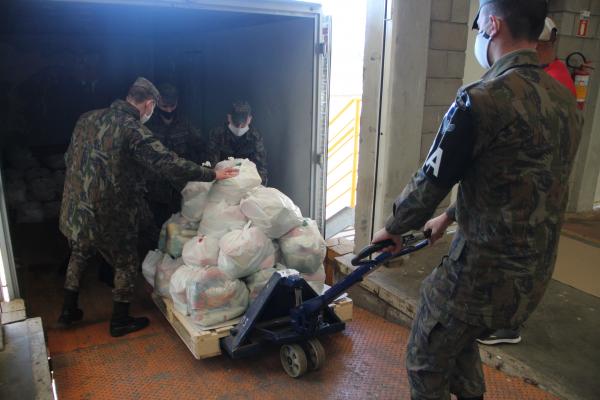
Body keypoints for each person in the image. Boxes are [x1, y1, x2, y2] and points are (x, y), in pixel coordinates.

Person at [371, 1, 583, 399]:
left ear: (492, 24)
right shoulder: (564, 100)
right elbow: (524, 179)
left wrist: (392, 229)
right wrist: (450, 216)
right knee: (457, 334)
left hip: (481, 273)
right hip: (533, 276)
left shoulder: (479, 100)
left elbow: (430, 179)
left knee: (426, 355)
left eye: (478, 28)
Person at [58, 77, 238, 337]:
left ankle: (67, 311)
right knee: (126, 261)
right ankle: (120, 320)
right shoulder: (132, 129)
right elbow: (167, 163)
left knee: (79, 252)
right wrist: (211, 174)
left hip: (76, 206)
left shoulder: (87, 118)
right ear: (149, 104)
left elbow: (69, 157)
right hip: (110, 212)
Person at [477, 16, 578, 347]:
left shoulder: (514, 89)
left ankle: (504, 324)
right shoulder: (556, 86)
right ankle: (504, 320)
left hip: (523, 207)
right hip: (538, 212)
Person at [145, 83, 206, 226]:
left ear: (176, 103)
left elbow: (201, 147)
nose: (168, 110)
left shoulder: (185, 124)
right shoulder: (148, 125)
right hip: (154, 189)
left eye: (171, 106)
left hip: (179, 189)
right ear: (157, 103)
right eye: (164, 106)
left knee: (178, 228)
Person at [207, 100, 268, 184]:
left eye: (243, 125)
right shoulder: (218, 135)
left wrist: (260, 186)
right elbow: (211, 164)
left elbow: (261, 167)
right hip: (222, 179)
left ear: (249, 119)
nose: (239, 127)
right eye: (236, 124)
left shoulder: (255, 137)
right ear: (229, 117)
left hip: (246, 180)